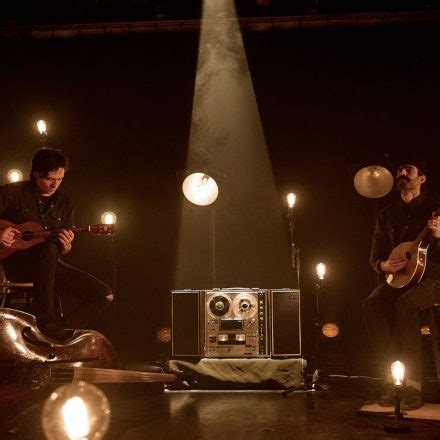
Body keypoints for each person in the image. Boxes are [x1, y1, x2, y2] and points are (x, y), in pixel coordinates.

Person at [0, 148, 114, 340]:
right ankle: (47, 324)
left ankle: (58, 334)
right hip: (17, 265)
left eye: (60, 179)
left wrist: (67, 245)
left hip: (49, 265)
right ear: (36, 173)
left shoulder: (65, 203)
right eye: (49, 179)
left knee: (103, 295)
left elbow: (64, 250)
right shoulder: (13, 192)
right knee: (48, 249)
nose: (55, 184)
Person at [363, 160, 440, 410]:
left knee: (406, 306)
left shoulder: (435, 211)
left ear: (422, 179)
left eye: (409, 170)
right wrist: (383, 265)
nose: (402, 174)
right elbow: (376, 253)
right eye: (399, 172)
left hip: (432, 278)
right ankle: (390, 380)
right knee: (371, 304)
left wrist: (439, 236)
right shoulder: (386, 214)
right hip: (401, 277)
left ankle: (414, 386)